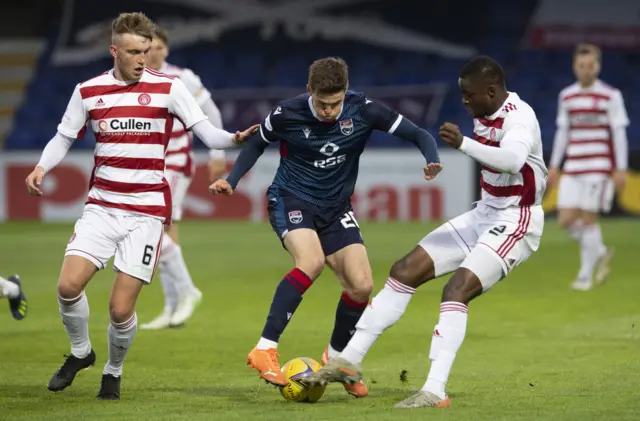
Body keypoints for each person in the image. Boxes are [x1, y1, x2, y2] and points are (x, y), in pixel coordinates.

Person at [24, 12, 256, 400]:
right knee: (67, 286)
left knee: (119, 310)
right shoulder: (88, 90)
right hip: (101, 205)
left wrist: (234, 139)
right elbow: (63, 136)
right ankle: (81, 352)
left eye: (146, 51)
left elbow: (205, 131)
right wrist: (42, 166)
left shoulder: (169, 88)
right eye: (133, 52)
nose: (142, 60)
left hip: (146, 212)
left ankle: (113, 371)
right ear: (114, 50)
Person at [303, 56, 547, 409]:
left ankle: (435, 389)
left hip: (516, 220)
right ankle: (348, 361)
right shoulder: (486, 112)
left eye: (469, 95)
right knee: (404, 270)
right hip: (485, 214)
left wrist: (463, 144)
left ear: (491, 91)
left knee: (456, 290)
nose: (464, 101)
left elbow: (512, 161)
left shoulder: (519, 118)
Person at [210, 57, 442, 397]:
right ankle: (264, 348)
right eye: (322, 103)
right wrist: (231, 180)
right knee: (311, 262)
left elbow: (419, 133)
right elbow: (258, 142)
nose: (329, 110)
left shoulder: (363, 110)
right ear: (309, 91)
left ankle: (336, 359)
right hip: (292, 198)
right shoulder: (287, 113)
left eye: (335, 103)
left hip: (336, 209)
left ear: (345, 93)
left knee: (362, 286)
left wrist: (431, 158)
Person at [141, 25, 227, 330]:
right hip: (148, 165)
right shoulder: (135, 78)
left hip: (175, 162)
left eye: (160, 47)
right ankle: (172, 305)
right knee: (159, 232)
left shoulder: (182, 77)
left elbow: (211, 113)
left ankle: (183, 297)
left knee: (162, 228)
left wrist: (217, 155)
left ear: (166, 49)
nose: (154, 52)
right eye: (149, 46)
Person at [548, 43, 628, 291]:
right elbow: (563, 133)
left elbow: (618, 134)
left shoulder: (610, 95)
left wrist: (621, 168)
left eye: (590, 65)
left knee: (589, 219)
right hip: (573, 166)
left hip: (598, 167)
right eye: (581, 65)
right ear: (575, 66)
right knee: (565, 220)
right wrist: (554, 165)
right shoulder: (567, 96)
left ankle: (584, 277)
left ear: (598, 67)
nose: (585, 70)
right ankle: (601, 251)